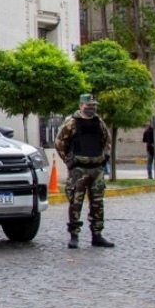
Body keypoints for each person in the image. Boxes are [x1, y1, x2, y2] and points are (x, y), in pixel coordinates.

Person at [54, 94, 114, 249]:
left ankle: (97, 235)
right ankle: (74, 236)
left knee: (97, 204)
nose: (91, 108)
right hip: (79, 169)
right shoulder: (71, 123)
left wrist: (104, 157)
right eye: (88, 105)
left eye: (93, 105)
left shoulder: (99, 122)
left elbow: (106, 140)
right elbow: (60, 142)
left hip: (96, 168)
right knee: (75, 203)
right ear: (81, 105)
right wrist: (68, 160)